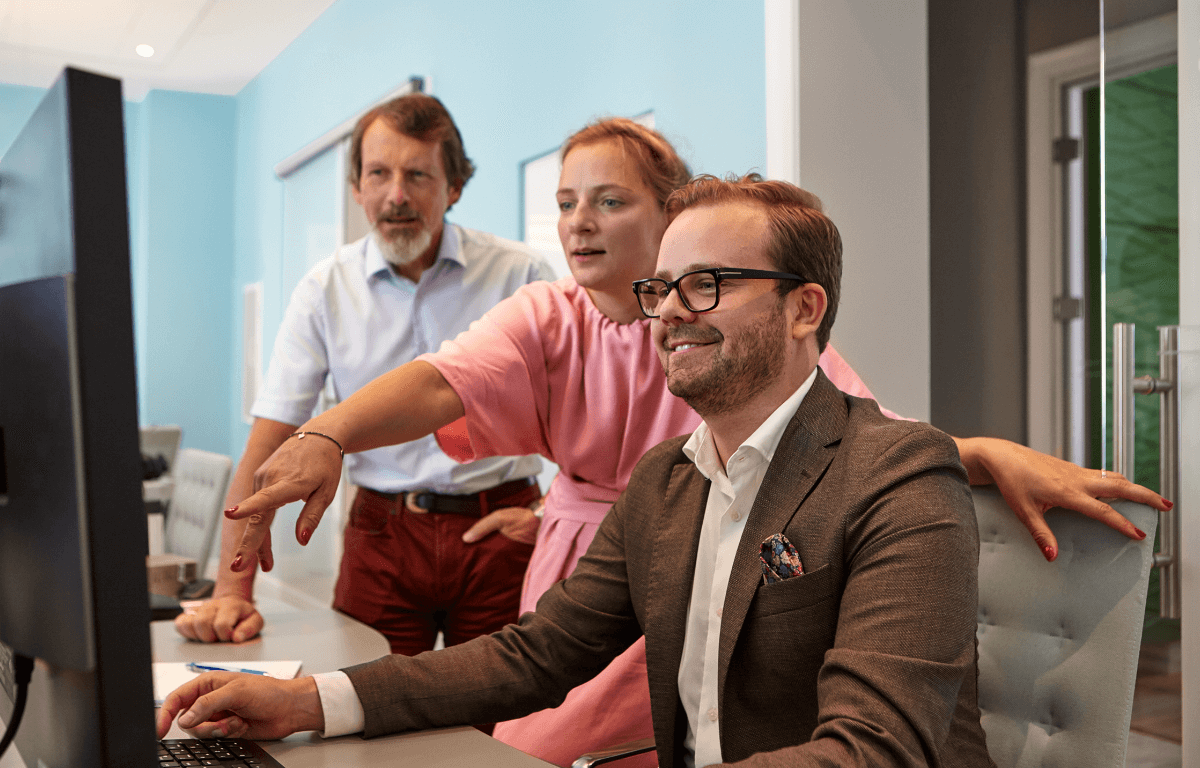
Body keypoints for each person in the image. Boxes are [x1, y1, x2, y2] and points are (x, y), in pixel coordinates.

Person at [209, 119, 1170, 766]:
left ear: (806, 310)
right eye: (661, 289)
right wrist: (309, 704)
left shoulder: (899, 481)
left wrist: (972, 450)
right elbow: (531, 657)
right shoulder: (669, 481)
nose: (670, 312)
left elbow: (869, 752)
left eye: (706, 283)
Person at [172, 94, 556, 659]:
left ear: (453, 187)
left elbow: (586, 413)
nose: (396, 195)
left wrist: (546, 513)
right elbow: (270, 436)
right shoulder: (324, 290)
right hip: (382, 536)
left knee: (503, 726)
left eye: (418, 175)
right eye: (378, 173)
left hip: (499, 529)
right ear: (357, 188)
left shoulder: (520, 274)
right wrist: (232, 590)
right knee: (366, 714)